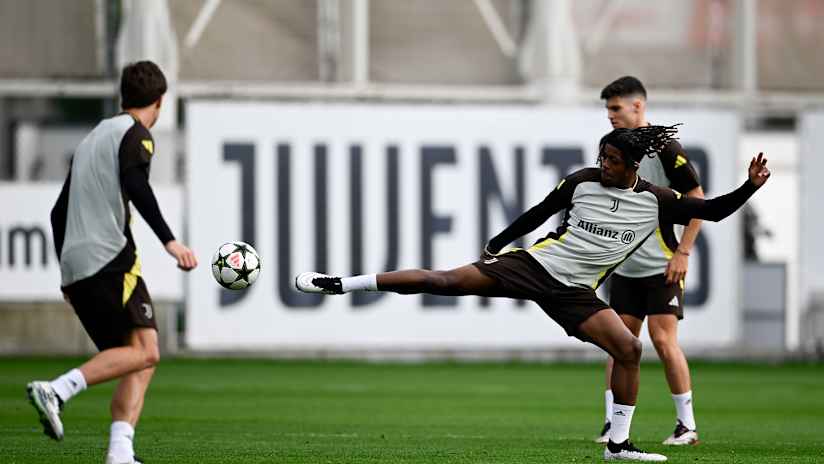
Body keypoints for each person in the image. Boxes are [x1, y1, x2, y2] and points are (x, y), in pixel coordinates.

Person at [296, 125, 770, 462]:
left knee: (629, 348)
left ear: (632, 165)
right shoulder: (582, 181)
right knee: (443, 282)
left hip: (576, 292)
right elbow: (541, 212)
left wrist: (748, 186)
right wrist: (501, 242)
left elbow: (713, 210)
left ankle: (619, 448)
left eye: (611, 160)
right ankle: (339, 283)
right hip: (534, 265)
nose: (602, 164)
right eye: (601, 156)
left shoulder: (657, 201)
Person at [26, 61, 197, 464]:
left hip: (78, 265)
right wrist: (170, 241)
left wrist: (66, 273)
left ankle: (120, 452)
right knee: (147, 350)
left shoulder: (93, 137)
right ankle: (57, 390)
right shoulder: (136, 135)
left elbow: (57, 211)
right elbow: (137, 185)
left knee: (140, 350)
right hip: (111, 258)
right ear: (159, 102)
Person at [596, 76, 703, 446]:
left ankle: (686, 426)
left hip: (662, 265)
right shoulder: (615, 149)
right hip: (625, 267)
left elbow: (697, 197)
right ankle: (612, 424)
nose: (610, 115)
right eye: (608, 109)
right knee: (619, 344)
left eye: (615, 108)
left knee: (662, 339)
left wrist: (683, 252)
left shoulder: (664, 147)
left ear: (638, 106)